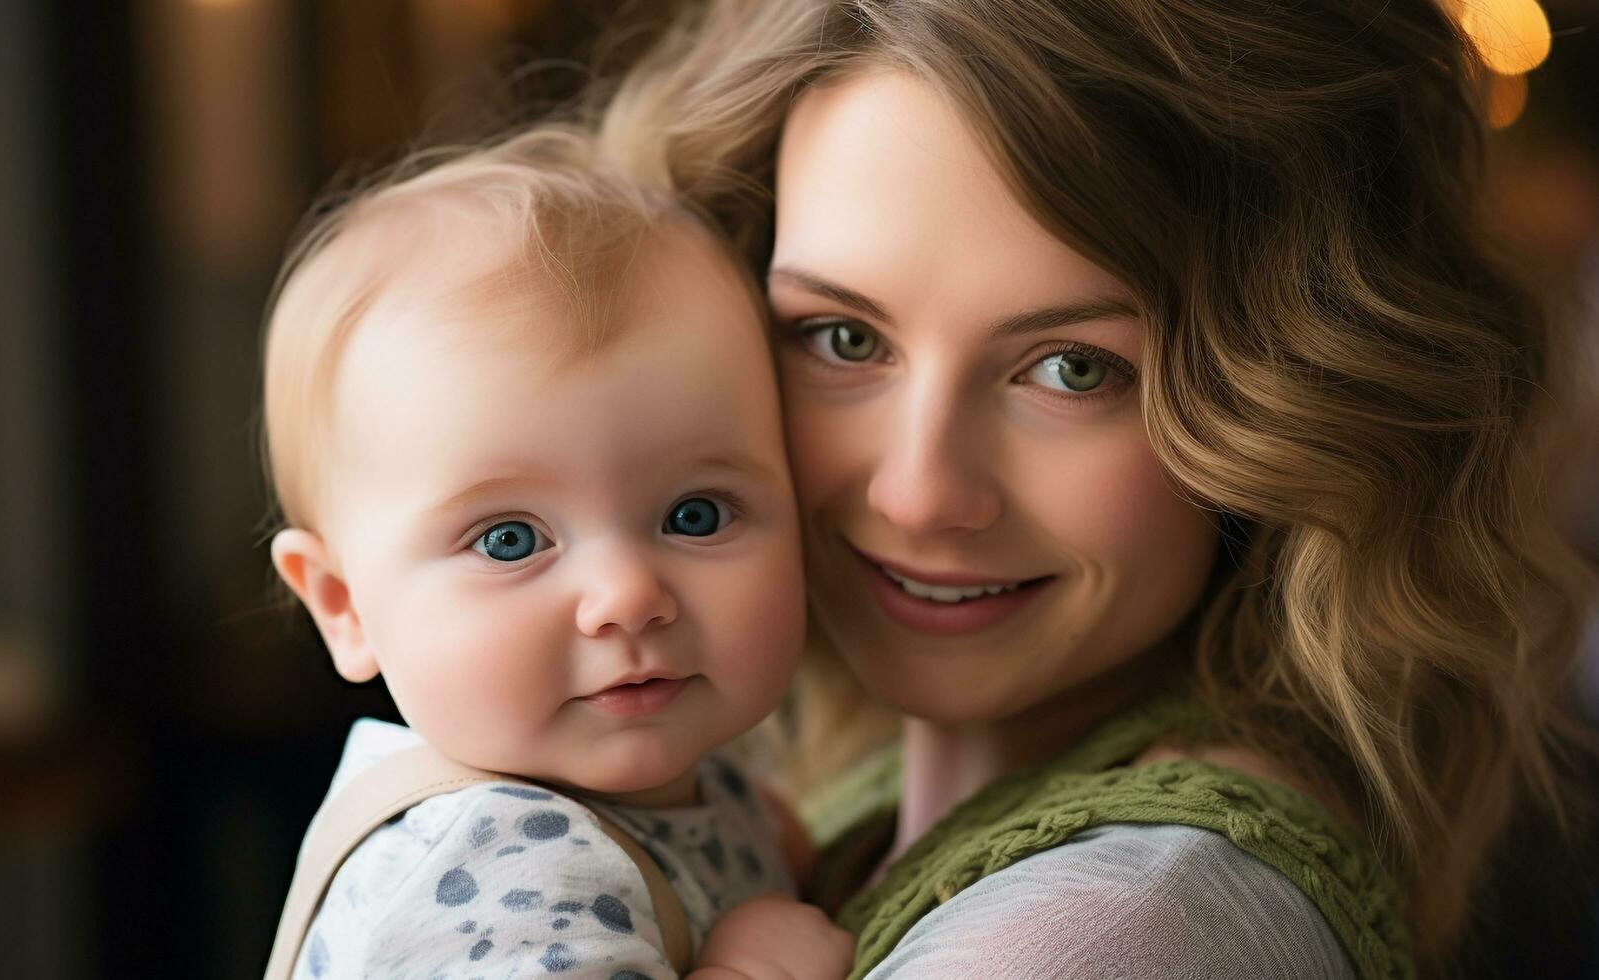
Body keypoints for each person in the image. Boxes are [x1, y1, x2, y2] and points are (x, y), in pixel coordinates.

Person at [586, 0, 1599, 976]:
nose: (915, 492)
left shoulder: (1108, 932)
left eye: (1072, 367)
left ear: (1284, 402)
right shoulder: (851, 795)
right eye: (841, 338)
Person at [258, 127, 852, 979]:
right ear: (344, 606)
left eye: (693, 514)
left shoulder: (681, 787)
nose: (627, 596)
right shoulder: (499, 857)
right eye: (510, 541)